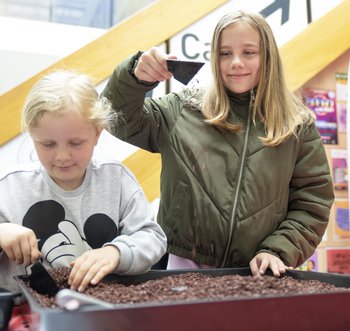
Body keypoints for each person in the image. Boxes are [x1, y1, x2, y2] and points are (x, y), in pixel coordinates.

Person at [102, 10, 334, 278]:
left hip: (259, 271)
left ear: (268, 56)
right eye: (225, 53)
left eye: (249, 52)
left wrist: (278, 249)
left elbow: (312, 202)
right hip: (182, 269)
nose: (236, 62)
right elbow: (116, 117)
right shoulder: (183, 109)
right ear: (214, 58)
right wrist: (134, 76)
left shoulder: (297, 125)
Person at [0, 70, 167, 293]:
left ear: (97, 133)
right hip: (25, 313)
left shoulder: (115, 179)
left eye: (76, 143)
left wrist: (116, 253)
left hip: (104, 308)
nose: (62, 156)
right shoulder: (9, 187)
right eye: (48, 144)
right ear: (32, 135)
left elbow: (152, 238)